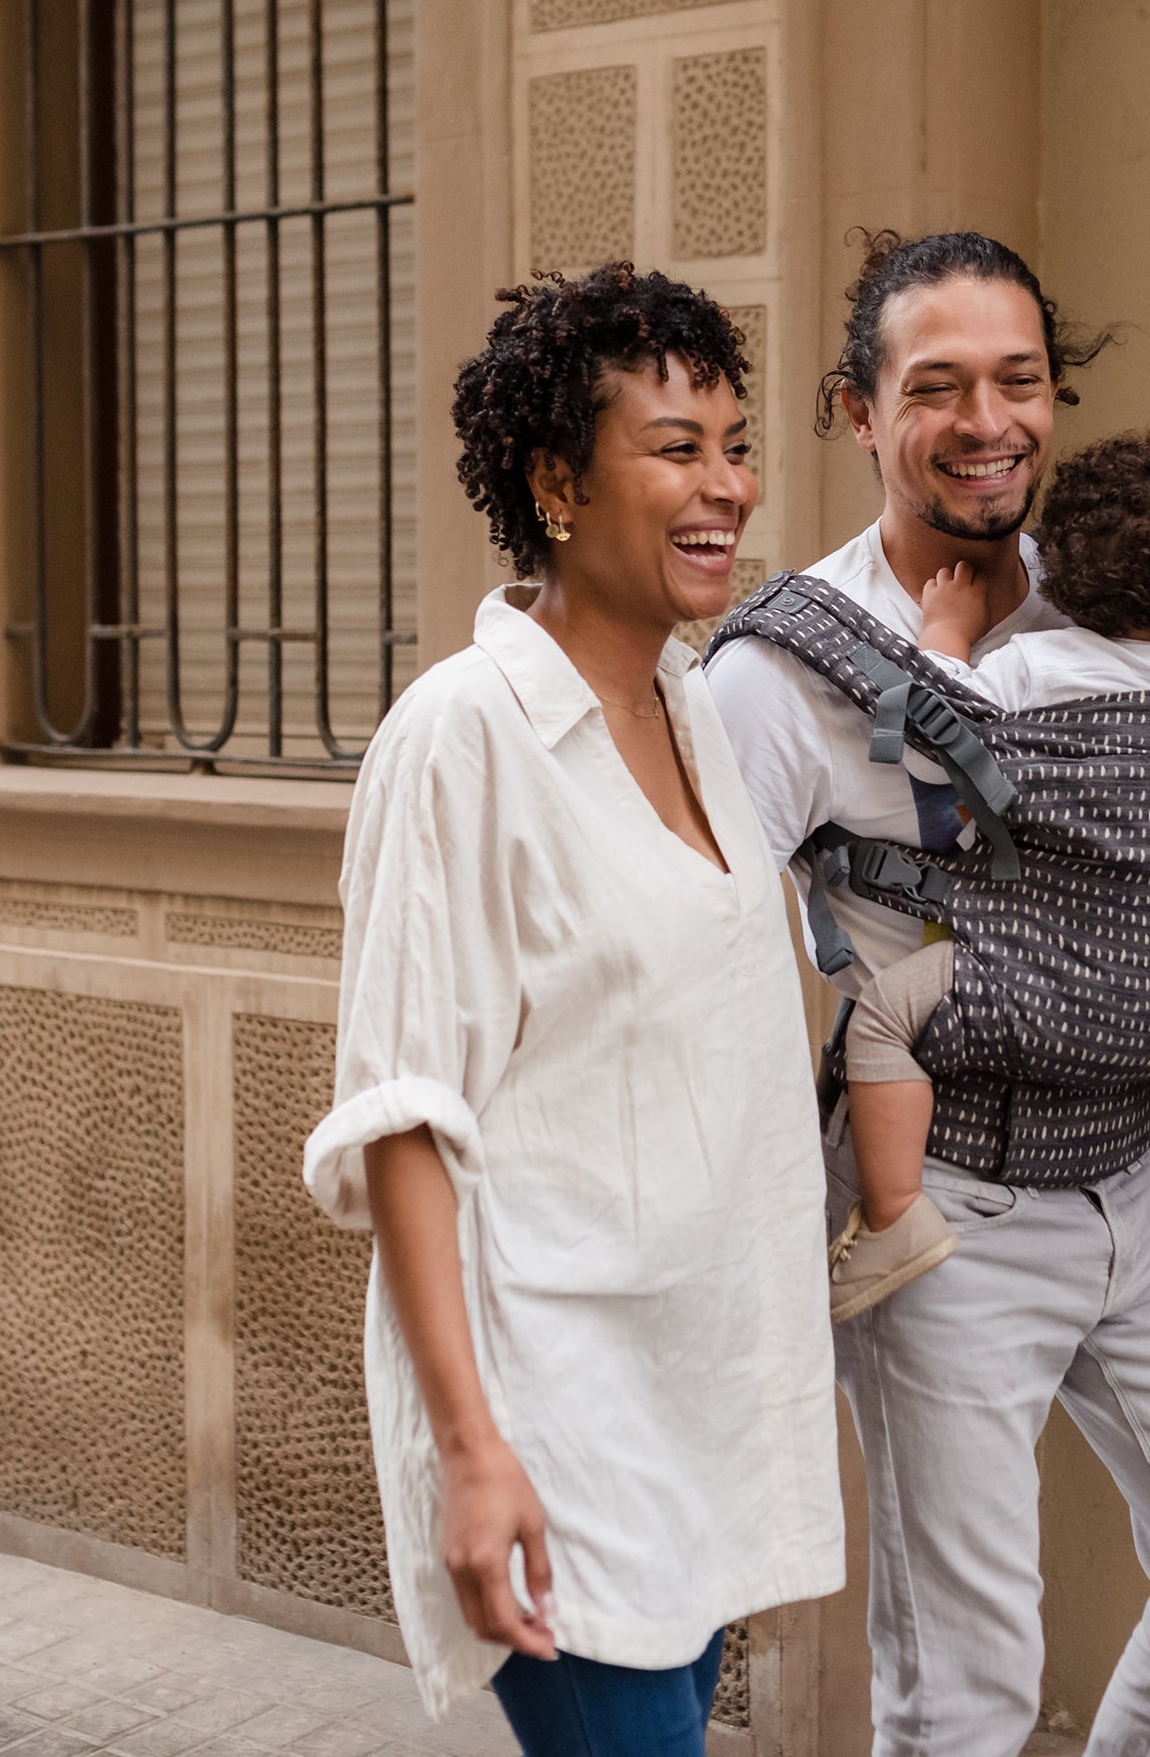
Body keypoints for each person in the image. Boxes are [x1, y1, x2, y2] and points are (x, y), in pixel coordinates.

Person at [705, 231, 1150, 1757]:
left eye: (1021, 379)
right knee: (967, 1690)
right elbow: (697, 943)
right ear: (857, 411)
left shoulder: (1107, 591)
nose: (991, 420)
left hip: (1132, 1179)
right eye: (939, 385)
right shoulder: (782, 677)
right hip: (950, 1208)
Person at [303, 264, 841, 1754]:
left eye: (735, 444)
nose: (725, 483)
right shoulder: (463, 736)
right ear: (556, 478)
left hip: (697, 1392)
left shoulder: (694, 708)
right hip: (557, 1408)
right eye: (676, 447)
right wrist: (473, 1451)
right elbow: (403, 1110)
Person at [827, 428, 1150, 1317]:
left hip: (1038, 990)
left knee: (878, 1020)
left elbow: (927, 743)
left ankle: (892, 1216)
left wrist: (944, 634)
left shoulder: (1030, 667)